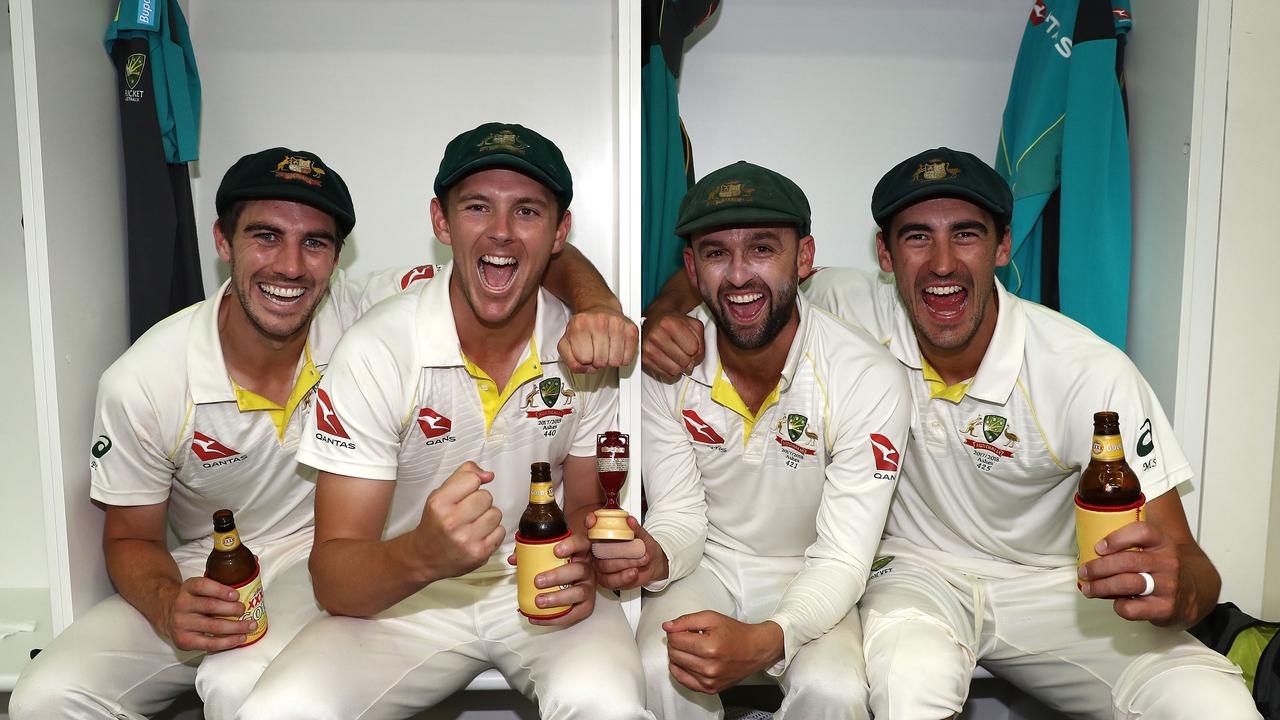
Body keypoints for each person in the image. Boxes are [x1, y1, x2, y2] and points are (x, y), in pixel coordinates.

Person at [9, 145, 636, 720]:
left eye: (316, 243)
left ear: (338, 258)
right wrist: (169, 603)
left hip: (334, 549)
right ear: (222, 241)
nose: (290, 265)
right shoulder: (143, 380)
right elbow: (128, 537)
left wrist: (598, 305)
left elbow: (510, 260)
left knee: (237, 685)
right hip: (214, 559)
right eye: (265, 236)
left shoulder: (365, 310)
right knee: (44, 699)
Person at [641, 147, 1261, 719]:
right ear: (885, 256)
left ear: (1001, 247)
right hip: (914, 574)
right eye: (917, 238)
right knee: (910, 678)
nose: (941, 264)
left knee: (1211, 702)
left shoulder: (1083, 371)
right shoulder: (846, 304)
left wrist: (1182, 593)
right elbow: (736, 274)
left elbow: (1187, 562)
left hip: (1054, 589)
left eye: (965, 234)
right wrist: (666, 321)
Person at [236, 123, 652, 720]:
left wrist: (588, 554)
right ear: (441, 221)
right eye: (477, 207)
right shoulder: (378, 347)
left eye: (528, 211)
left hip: (540, 590)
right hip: (404, 597)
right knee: (278, 711)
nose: (502, 231)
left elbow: (585, 508)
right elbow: (333, 577)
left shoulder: (581, 346)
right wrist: (424, 556)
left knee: (608, 706)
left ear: (560, 232)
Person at [601, 161, 910, 720]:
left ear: (805, 257)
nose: (739, 275)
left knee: (834, 691)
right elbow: (680, 516)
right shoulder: (665, 366)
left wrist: (771, 638)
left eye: (763, 249)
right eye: (717, 253)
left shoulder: (866, 375)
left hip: (816, 569)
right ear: (692, 268)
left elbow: (843, 555)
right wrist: (655, 554)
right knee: (657, 667)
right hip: (706, 567)